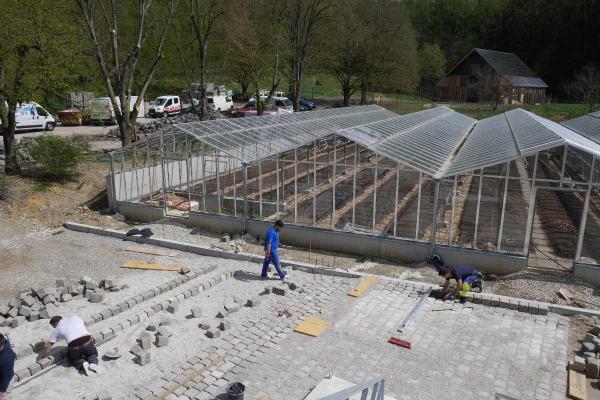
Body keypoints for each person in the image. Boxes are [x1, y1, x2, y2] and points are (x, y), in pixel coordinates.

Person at [0, 334, 15, 400]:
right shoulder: (4, 341)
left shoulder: (5, 359)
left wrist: (2, 391)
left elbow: (8, 376)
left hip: (5, 383)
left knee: (5, 397)